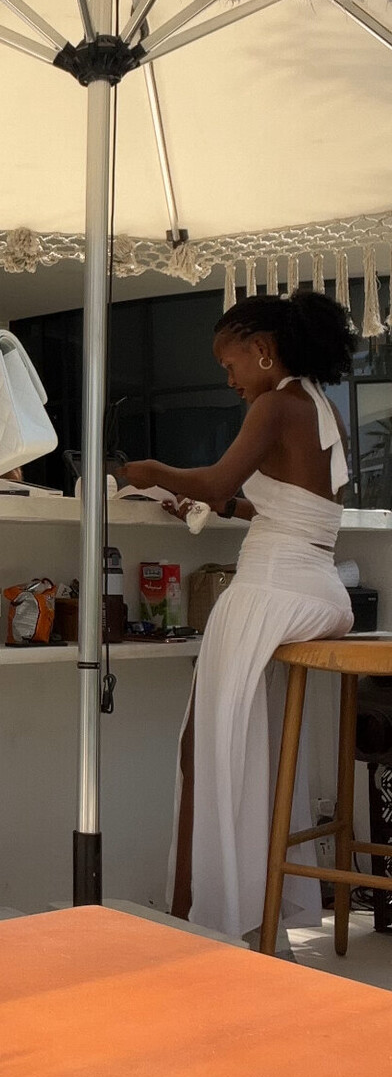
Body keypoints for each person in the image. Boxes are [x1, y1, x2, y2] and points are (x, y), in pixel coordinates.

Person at [124, 288, 355, 946]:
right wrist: (213, 506)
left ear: (263, 349)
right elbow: (279, 507)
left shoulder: (274, 404)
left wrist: (149, 471)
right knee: (243, 749)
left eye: (230, 366)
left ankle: (201, 917)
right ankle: (254, 906)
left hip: (271, 590)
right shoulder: (319, 406)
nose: (229, 380)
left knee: (203, 752)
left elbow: (218, 480)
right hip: (320, 591)